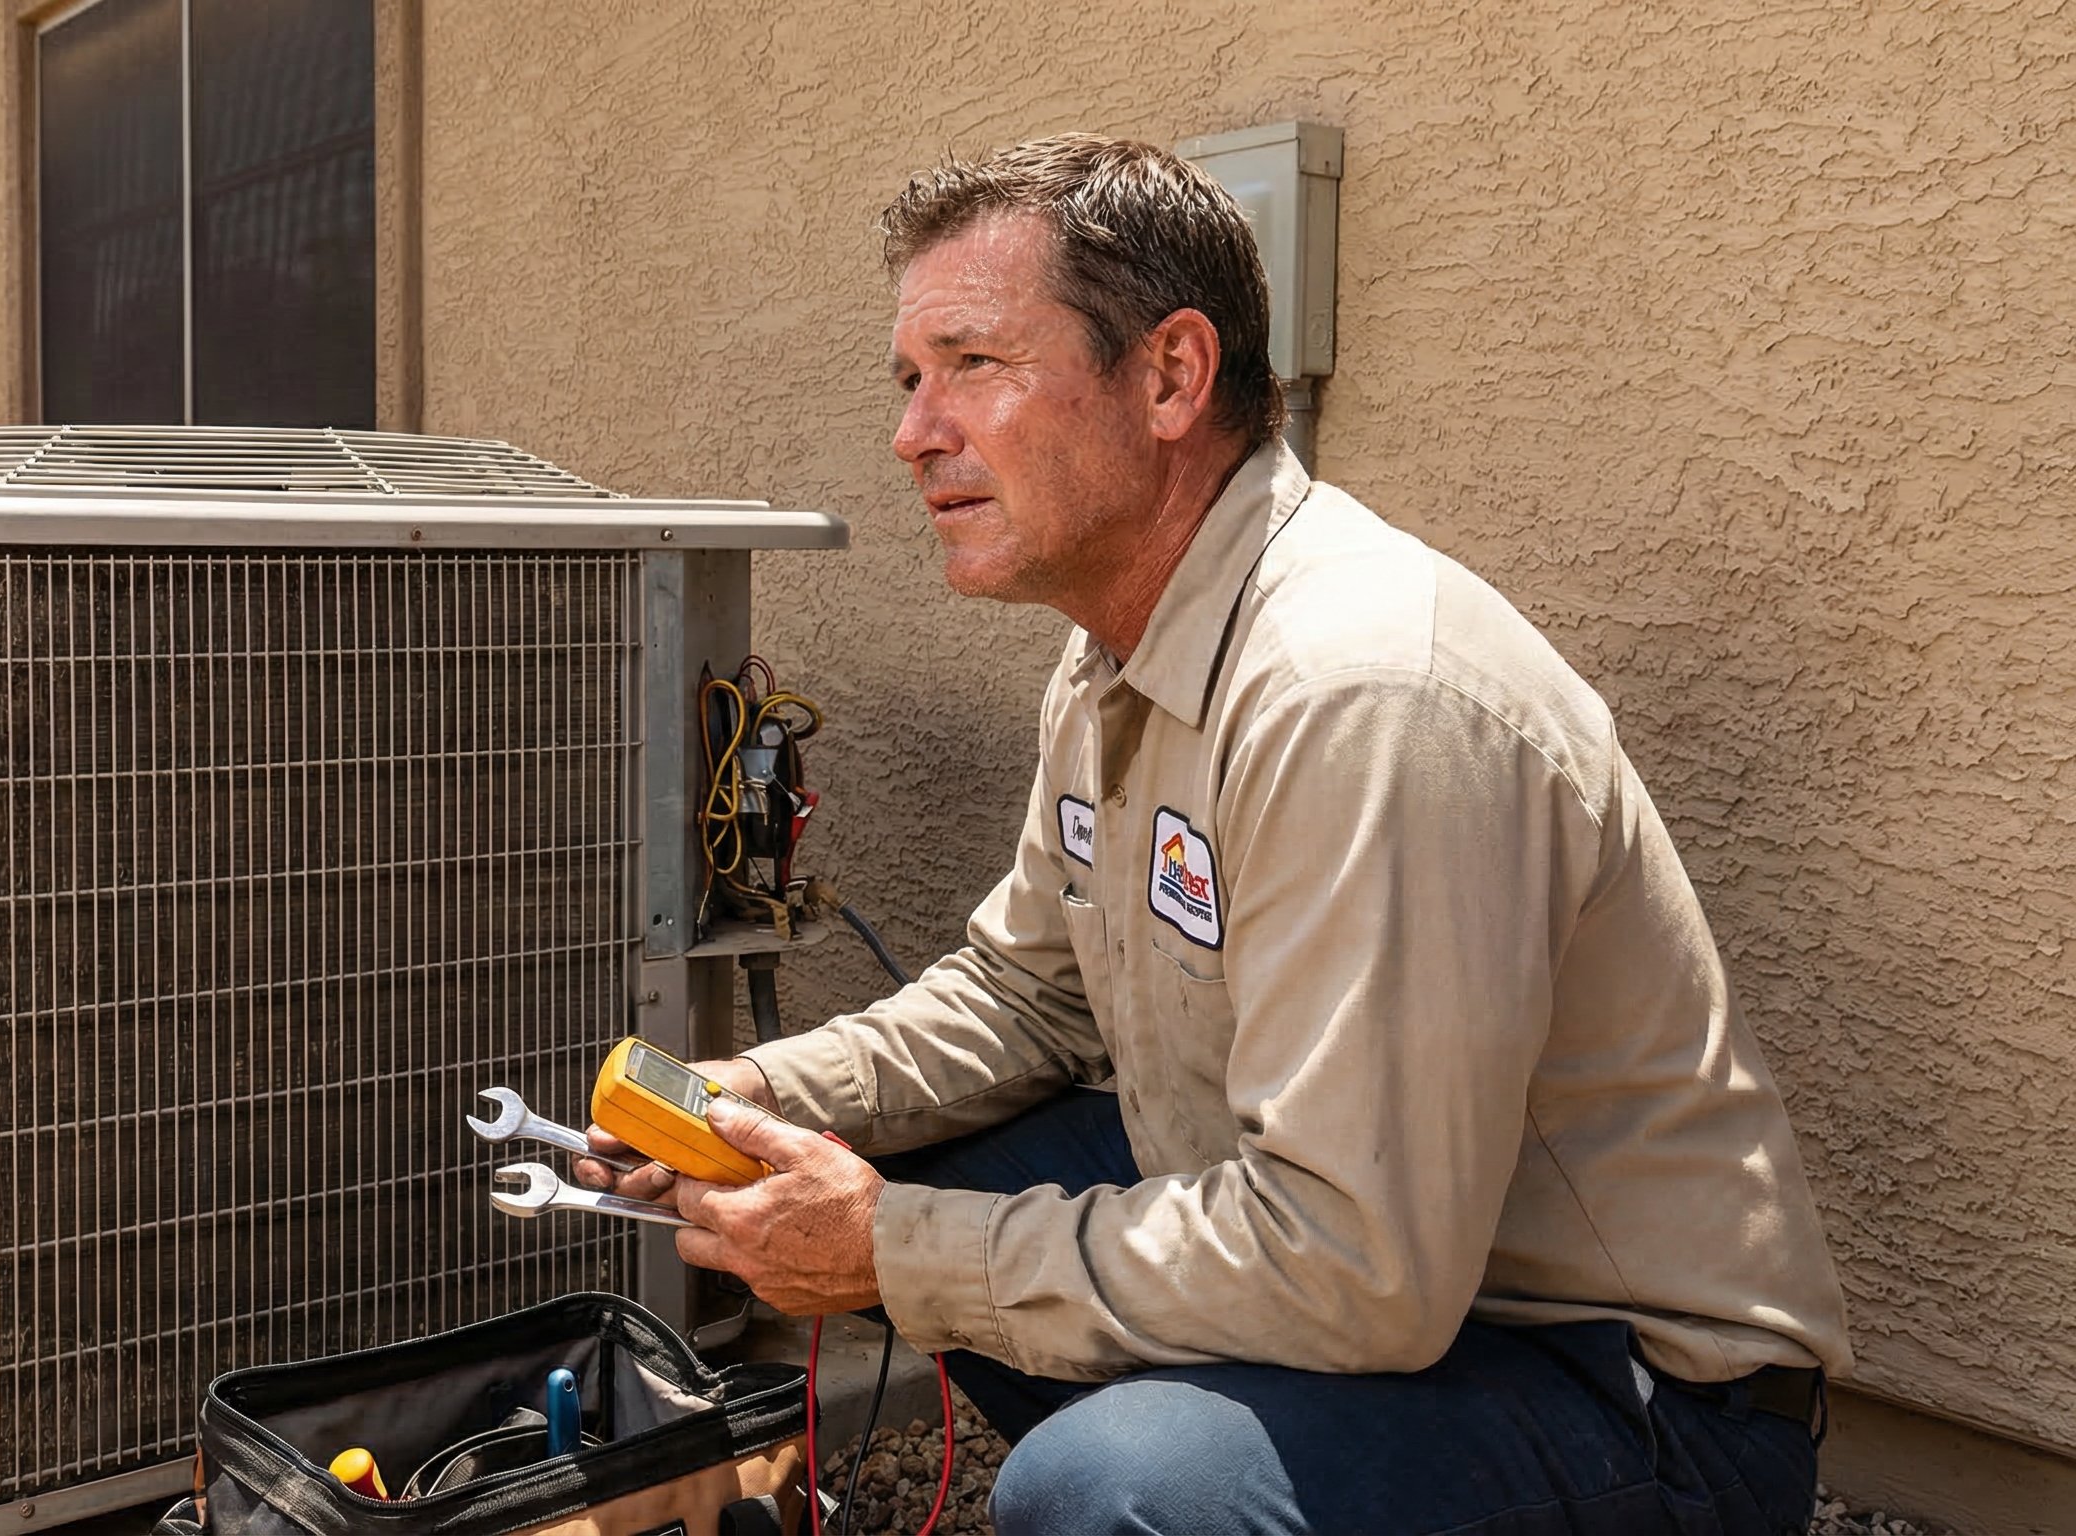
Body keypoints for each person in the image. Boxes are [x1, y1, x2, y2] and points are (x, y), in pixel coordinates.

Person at [581, 133, 1851, 1535]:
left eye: (973, 365)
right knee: (914, 1173)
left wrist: (888, 1247)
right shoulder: (1120, 652)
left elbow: (1357, 1261)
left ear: (1172, 376)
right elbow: (1026, 998)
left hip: (1629, 1394)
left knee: (1114, 1488)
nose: (913, 431)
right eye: (908, 378)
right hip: (1410, 1303)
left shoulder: (1355, 692)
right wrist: (760, 1096)